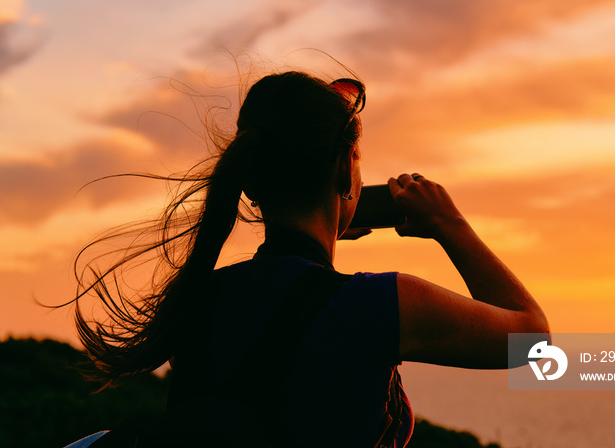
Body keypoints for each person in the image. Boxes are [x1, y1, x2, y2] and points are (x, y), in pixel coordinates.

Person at [66, 70, 549, 447]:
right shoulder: (375, 304)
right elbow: (531, 339)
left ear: (251, 181)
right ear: (344, 170)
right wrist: (449, 225)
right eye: (357, 159)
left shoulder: (200, 298)